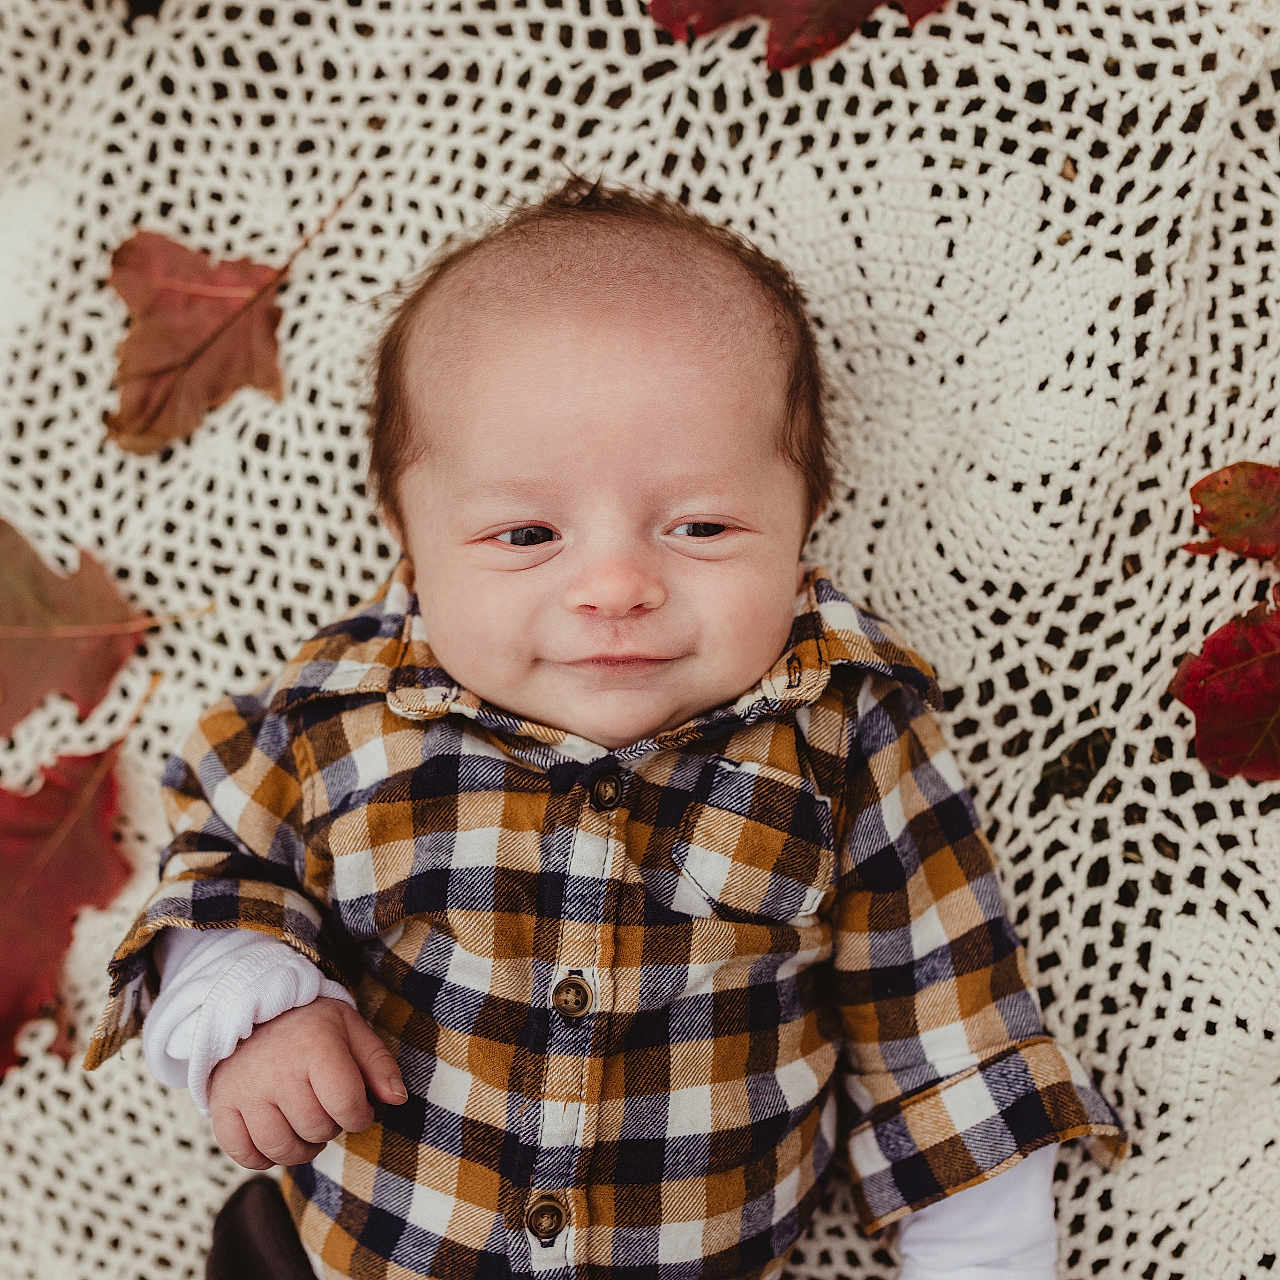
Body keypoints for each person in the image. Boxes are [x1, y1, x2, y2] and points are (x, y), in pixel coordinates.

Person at [83, 174, 1127, 1280]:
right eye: (528, 533)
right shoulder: (340, 713)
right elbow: (218, 856)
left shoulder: (843, 733)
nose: (617, 586)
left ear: (804, 517)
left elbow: (943, 1005)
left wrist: (980, 1247)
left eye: (702, 526)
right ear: (409, 537)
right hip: (337, 1253)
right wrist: (248, 992)